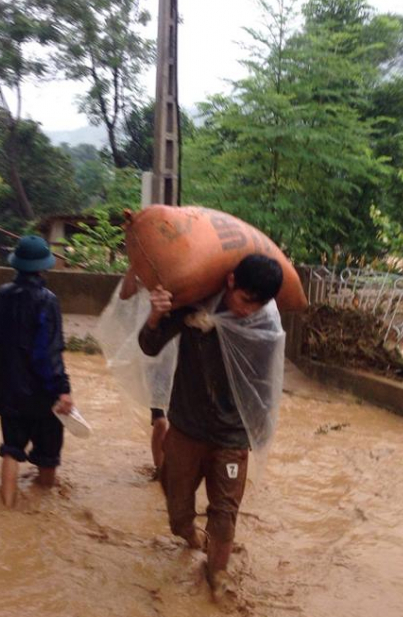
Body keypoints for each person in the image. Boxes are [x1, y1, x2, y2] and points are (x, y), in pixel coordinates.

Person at [138, 254, 285, 595]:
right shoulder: (192, 302)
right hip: (187, 428)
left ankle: (217, 577)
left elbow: (266, 385)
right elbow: (149, 346)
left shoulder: (264, 323)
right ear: (230, 281)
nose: (249, 310)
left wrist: (258, 432)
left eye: (258, 304)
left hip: (232, 436)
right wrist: (158, 313)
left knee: (224, 515)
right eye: (245, 300)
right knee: (177, 516)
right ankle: (191, 536)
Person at [0, 235, 73, 508]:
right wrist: (62, 389)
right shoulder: (47, 300)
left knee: (12, 449)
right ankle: (45, 510)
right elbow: (47, 352)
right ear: (43, 267)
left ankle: (6, 510)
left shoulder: (0, 295)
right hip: (41, 394)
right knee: (48, 454)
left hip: (7, 390)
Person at [118, 270, 170, 474]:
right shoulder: (145, 270)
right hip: (152, 353)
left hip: (182, 354)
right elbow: (125, 294)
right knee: (161, 420)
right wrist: (135, 266)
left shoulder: (186, 271)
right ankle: (160, 469)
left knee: (178, 422)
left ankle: (172, 468)